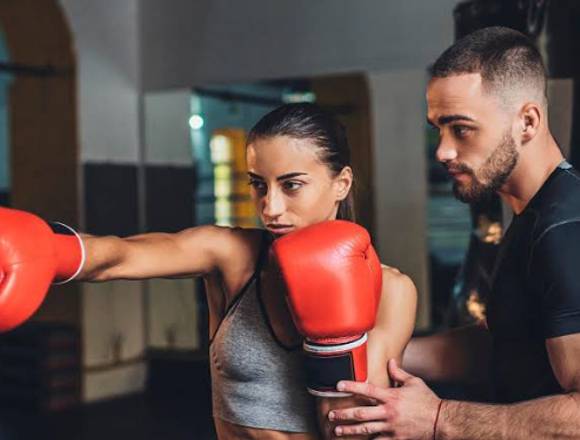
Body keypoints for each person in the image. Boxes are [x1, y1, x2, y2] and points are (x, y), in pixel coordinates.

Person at [0, 103, 417, 439]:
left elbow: (352, 429)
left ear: (341, 183)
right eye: (258, 184)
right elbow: (122, 255)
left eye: (291, 185)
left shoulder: (393, 291)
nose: (270, 208)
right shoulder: (232, 256)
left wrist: (334, 336)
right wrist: (49, 251)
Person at [328, 26, 580, 439]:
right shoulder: (536, 215)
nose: (442, 150)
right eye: (438, 129)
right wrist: (382, 350)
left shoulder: (564, 230)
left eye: (461, 129)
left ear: (528, 122)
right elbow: (513, 345)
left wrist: (438, 418)